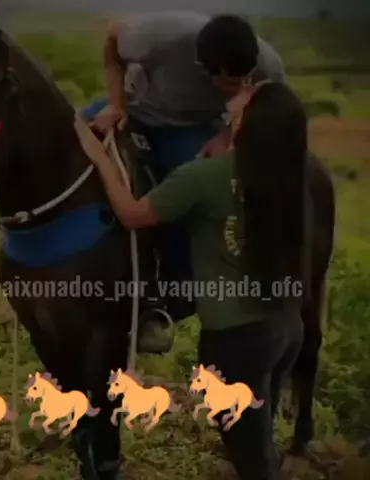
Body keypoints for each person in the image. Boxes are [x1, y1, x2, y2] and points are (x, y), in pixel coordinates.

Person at [74, 81, 306, 479]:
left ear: (246, 120)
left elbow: (132, 214)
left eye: (251, 93)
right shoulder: (284, 172)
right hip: (284, 325)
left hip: (235, 342)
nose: (244, 87)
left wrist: (99, 157)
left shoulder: (204, 177)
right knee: (258, 434)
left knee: (251, 458)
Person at [80, 12, 286, 353]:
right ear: (203, 68)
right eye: (231, 84)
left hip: (188, 127)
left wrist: (225, 135)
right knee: (67, 140)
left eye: (247, 79)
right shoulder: (158, 36)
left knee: (184, 196)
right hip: (137, 106)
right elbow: (112, 38)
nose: (242, 88)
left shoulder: (267, 63)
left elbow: (266, 100)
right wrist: (116, 105)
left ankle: (164, 301)